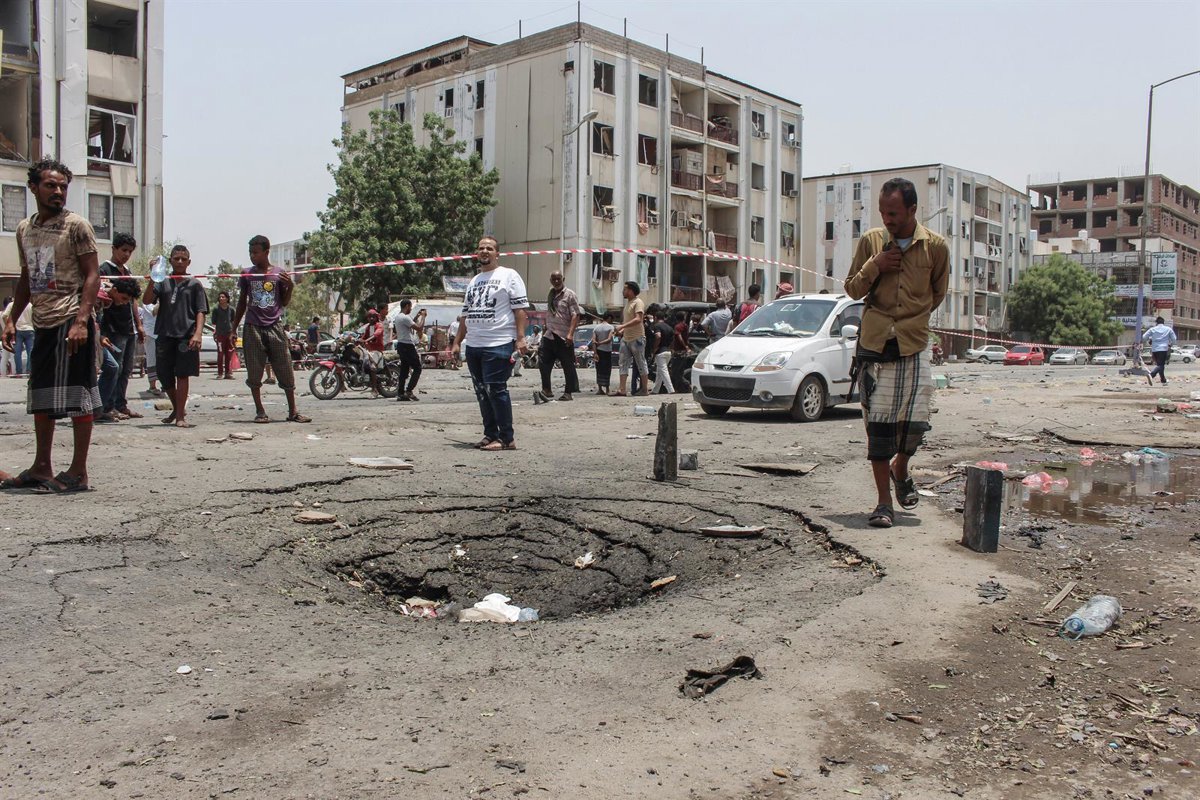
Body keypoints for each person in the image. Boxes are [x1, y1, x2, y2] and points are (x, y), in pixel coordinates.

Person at [844, 178, 949, 529]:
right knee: (878, 427)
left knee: (915, 423)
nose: (887, 220)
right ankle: (883, 503)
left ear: (912, 210)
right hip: (875, 345)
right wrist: (875, 265)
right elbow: (852, 289)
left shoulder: (936, 247)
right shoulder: (871, 241)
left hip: (913, 343)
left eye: (893, 213)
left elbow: (938, 293)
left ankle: (900, 467)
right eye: (882, 212)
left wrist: (911, 318)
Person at [0, 158, 102, 493]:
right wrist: (12, 319)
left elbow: (92, 275)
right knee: (41, 395)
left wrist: (82, 321)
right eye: (50, 185)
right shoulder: (24, 229)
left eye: (62, 186)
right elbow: (27, 278)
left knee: (78, 395)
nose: (58, 191)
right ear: (33, 187)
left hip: (72, 320)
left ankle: (78, 471)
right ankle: (42, 466)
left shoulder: (77, 226)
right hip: (42, 322)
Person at [453, 235, 528, 450]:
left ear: (497, 254)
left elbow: (520, 310)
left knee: (496, 389)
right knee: (481, 391)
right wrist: (457, 342)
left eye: (489, 248)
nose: (484, 251)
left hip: (498, 342)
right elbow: (465, 315)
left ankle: (507, 438)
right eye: (481, 248)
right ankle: (490, 434)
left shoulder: (509, 275)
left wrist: (520, 338)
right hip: (474, 345)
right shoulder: (474, 281)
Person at [232, 235, 311, 424]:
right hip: (253, 326)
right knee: (254, 370)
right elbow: (242, 302)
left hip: (274, 325)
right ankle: (260, 411)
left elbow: (283, 302)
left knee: (284, 367)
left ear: (266, 252)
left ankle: (293, 411)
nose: (252, 256)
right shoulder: (247, 274)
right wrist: (233, 328)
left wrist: (290, 287)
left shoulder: (278, 274)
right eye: (250, 253)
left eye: (256, 252)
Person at [142, 245, 207, 428]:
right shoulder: (163, 281)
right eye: (176, 258)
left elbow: (201, 311)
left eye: (183, 259)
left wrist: (198, 333)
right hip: (165, 333)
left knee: (183, 375)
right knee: (164, 374)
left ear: (188, 262)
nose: (179, 262)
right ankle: (178, 408)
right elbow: (147, 300)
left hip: (186, 335)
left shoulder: (194, 284)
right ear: (170, 260)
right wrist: (153, 277)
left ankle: (180, 416)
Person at [98, 232, 146, 417]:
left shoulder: (127, 272)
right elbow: (101, 300)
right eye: (124, 250)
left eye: (130, 251)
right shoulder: (104, 271)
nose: (126, 254)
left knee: (126, 370)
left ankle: (120, 404)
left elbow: (133, 300)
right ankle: (107, 406)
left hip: (129, 328)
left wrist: (138, 324)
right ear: (114, 249)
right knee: (113, 368)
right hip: (113, 327)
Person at [97, 279, 141, 421]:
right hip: (108, 336)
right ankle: (104, 407)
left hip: (119, 333)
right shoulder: (101, 296)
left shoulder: (115, 296)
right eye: (123, 298)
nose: (124, 303)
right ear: (115, 290)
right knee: (113, 368)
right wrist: (101, 335)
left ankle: (113, 406)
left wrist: (138, 325)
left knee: (121, 369)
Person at [534, 271, 580, 403]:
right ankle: (547, 389)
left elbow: (575, 315)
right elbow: (550, 313)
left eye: (558, 279)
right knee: (543, 362)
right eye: (553, 279)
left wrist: (570, 334)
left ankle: (568, 392)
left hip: (563, 336)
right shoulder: (551, 294)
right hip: (549, 335)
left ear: (563, 279)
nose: (556, 281)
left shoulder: (569, 295)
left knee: (567, 365)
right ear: (550, 280)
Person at [613, 281, 648, 396]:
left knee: (641, 363)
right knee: (623, 363)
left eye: (625, 289)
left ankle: (644, 389)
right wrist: (622, 331)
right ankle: (622, 389)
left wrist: (622, 326)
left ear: (631, 290)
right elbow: (629, 321)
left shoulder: (638, 302)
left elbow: (638, 319)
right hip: (626, 338)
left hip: (637, 338)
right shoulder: (628, 304)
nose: (623, 291)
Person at [392, 299, 426, 401]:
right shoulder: (405, 317)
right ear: (407, 306)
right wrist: (423, 316)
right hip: (407, 346)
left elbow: (410, 324)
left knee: (404, 370)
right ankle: (409, 391)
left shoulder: (398, 317)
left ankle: (401, 393)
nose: (411, 309)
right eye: (410, 307)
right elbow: (419, 328)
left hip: (401, 345)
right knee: (417, 368)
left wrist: (417, 316)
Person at [138, 300, 164, 396]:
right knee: (152, 359)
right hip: (150, 333)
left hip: (162, 333)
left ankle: (165, 385)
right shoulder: (148, 303)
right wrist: (163, 301)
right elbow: (154, 312)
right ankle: (152, 386)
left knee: (164, 361)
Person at [1142, 316, 1177, 386]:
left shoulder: (1152, 329)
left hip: (1154, 350)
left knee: (1160, 365)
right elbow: (1174, 339)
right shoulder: (1168, 329)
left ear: (1156, 323)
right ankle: (1151, 375)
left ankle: (1163, 380)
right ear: (1163, 322)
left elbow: (1144, 337)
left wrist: (1150, 340)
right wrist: (1170, 344)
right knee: (1161, 365)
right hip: (1163, 349)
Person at [649, 307, 676, 394]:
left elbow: (658, 336)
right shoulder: (669, 327)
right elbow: (673, 340)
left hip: (660, 352)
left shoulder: (657, 326)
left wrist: (655, 347)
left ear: (656, 318)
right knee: (659, 372)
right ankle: (655, 390)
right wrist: (671, 348)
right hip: (668, 351)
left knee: (663, 370)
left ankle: (671, 390)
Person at [211, 291, 235, 379]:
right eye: (220, 297)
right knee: (220, 353)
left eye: (223, 297)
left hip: (229, 335)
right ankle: (220, 373)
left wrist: (233, 333)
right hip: (220, 334)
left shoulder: (231, 309)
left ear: (227, 299)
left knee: (229, 354)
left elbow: (233, 321)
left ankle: (228, 373)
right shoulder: (216, 309)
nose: (221, 298)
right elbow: (213, 321)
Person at [591, 313, 615, 394]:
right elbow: (609, 339)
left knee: (599, 370)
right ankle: (607, 389)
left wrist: (595, 353)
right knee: (607, 370)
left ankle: (600, 389)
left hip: (598, 351)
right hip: (607, 351)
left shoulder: (596, 328)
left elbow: (593, 341)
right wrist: (600, 343)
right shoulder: (611, 327)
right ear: (609, 318)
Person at [0, 298, 14, 376]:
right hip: (11, 336)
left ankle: (3, 373)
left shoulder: (0, 313)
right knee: (13, 356)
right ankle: (15, 372)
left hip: (4, 335)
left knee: (4, 357)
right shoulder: (9, 314)